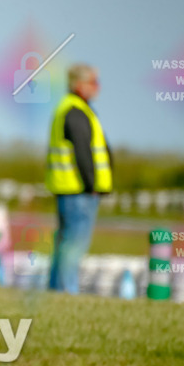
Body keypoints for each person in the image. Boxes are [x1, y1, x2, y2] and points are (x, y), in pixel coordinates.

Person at [45, 63, 112, 293]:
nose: (98, 87)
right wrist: (92, 185)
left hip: (71, 190)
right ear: (80, 85)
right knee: (73, 246)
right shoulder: (75, 111)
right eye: (94, 82)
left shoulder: (72, 109)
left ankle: (56, 291)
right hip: (79, 192)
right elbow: (83, 151)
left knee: (65, 245)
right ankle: (66, 291)